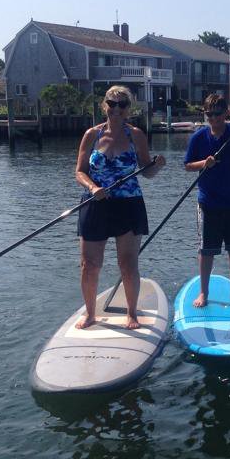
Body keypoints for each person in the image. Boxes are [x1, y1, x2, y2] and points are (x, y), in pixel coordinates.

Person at [74, 85, 166, 329]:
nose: (115, 108)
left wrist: (157, 166)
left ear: (128, 109)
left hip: (128, 204)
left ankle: (132, 314)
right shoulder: (91, 134)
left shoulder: (136, 135)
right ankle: (91, 314)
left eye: (121, 104)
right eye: (111, 103)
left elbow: (147, 171)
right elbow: (80, 171)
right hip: (96, 203)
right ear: (104, 105)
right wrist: (93, 188)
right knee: (89, 264)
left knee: (127, 263)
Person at [183, 93, 230, 308]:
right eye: (209, 114)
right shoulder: (199, 137)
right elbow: (187, 165)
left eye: (217, 114)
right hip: (209, 203)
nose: (213, 118)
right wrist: (204, 163)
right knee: (206, 250)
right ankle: (203, 292)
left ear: (226, 114)